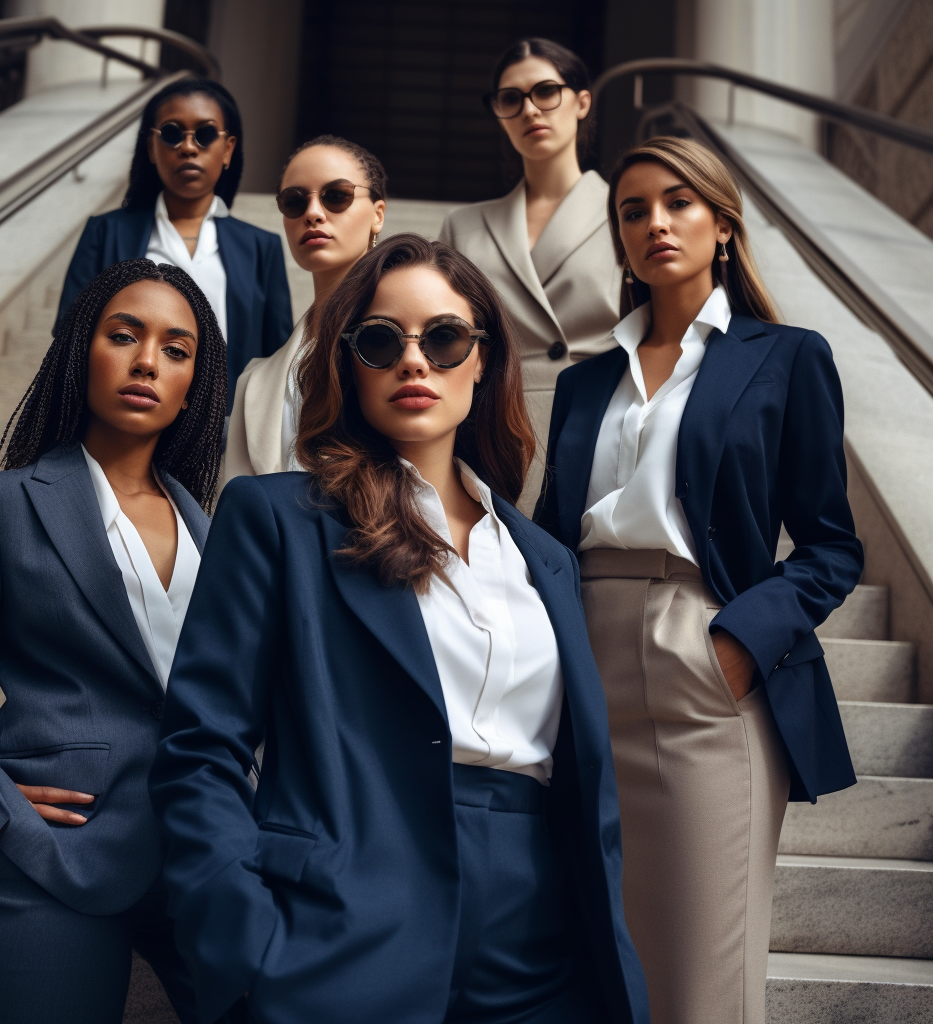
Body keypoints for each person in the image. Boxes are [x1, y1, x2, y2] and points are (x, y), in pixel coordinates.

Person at [149, 235, 650, 1024]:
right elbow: (199, 749)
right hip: (341, 926)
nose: (415, 361)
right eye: (382, 341)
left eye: (445, 338)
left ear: (483, 359)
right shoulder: (279, 519)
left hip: (542, 947)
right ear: (349, 365)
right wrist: (246, 947)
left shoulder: (544, 558)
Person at [535, 136, 864, 1024]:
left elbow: (834, 546)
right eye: (633, 210)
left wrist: (737, 645)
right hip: (584, 658)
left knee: (704, 981)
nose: (653, 223)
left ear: (722, 225)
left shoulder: (787, 357)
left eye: (677, 203)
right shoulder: (584, 383)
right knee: (603, 959)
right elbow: (548, 536)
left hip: (705, 656)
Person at [0, 258, 228, 1024]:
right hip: (50, 861)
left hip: (202, 861)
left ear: (197, 381)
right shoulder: (3, 507)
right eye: (125, 336)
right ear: (84, 348)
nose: (148, 361)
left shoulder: (219, 532)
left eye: (176, 349)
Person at [439, 38, 619, 511]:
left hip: (604, 421)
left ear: (582, 102)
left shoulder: (629, 210)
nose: (529, 110)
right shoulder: (465, 224)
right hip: (500, 429)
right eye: (511, 99)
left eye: (545, 92)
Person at [58, 78, 293, 412]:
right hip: (125, 415)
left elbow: (277, 357)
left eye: (205, 134)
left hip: (225, 427)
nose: (188, 147)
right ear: (152, 147)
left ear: (227, 149)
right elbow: (71, 337)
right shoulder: (106, 232)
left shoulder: (261, 247)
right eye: (171, 133)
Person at [224, 135, 386, 481]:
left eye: (336, 196)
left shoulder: (411, 343)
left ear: (378, 214)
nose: (312, 213)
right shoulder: (253, 382)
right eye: (294, 201)